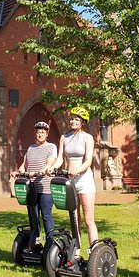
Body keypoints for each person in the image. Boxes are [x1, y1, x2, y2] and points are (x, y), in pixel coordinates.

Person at [52, 106, 99, 249]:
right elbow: (60, 158)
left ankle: (95, 250)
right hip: (70, 181)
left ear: (82, 122)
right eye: (72, 119)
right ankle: (76, 251)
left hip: (84, 180)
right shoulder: (64, 137)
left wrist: (77, 170)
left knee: (88, 219)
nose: (73, 121)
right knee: (74, 220)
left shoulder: (87, 138)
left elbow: (88, 161)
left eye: (76, 119)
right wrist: (52, 168)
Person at [14, 121, 57, 251]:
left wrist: (41, 171)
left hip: (45, 188)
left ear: (47, 134)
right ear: (36, 133)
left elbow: (50, 163)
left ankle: (50, 244)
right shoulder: (31, 148)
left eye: (43, 132)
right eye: (38, 132)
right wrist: (18, 172)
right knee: (33, 216)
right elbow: (24, 165)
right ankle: (33, 244)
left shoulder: (51, 147)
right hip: (31, 188)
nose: (40, 134)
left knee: (46, 215)